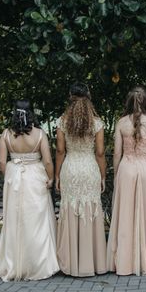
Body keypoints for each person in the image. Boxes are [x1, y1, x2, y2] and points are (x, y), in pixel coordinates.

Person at [0, 100, 59, 281]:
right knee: (36, 220)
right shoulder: (39, 134)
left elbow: (2, 162)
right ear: (31, 113)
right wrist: (50, 178)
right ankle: (38, 263)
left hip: (15, 178)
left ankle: (13, 262)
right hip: (35, 176)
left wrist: (10, 176)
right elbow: (48, 161)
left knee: (15, 220)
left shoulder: (6, 134)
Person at [106, 87, 146, 276]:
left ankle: (125, 261)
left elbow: (117, 153)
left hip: (127, 168)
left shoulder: (121, 123)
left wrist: (117, 173)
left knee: (126, 215)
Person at [55, 83, 107, 277]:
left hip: (70, 167)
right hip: (89, 167)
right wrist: (103, 175)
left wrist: (57, 175)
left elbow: (60, 150)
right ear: (89, 96)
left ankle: (70, 261)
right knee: (90, 210)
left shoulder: (62, 121)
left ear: (70, 97)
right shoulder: (97, 123)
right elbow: (100, 152)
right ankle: (91, 262)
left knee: (70, 210)